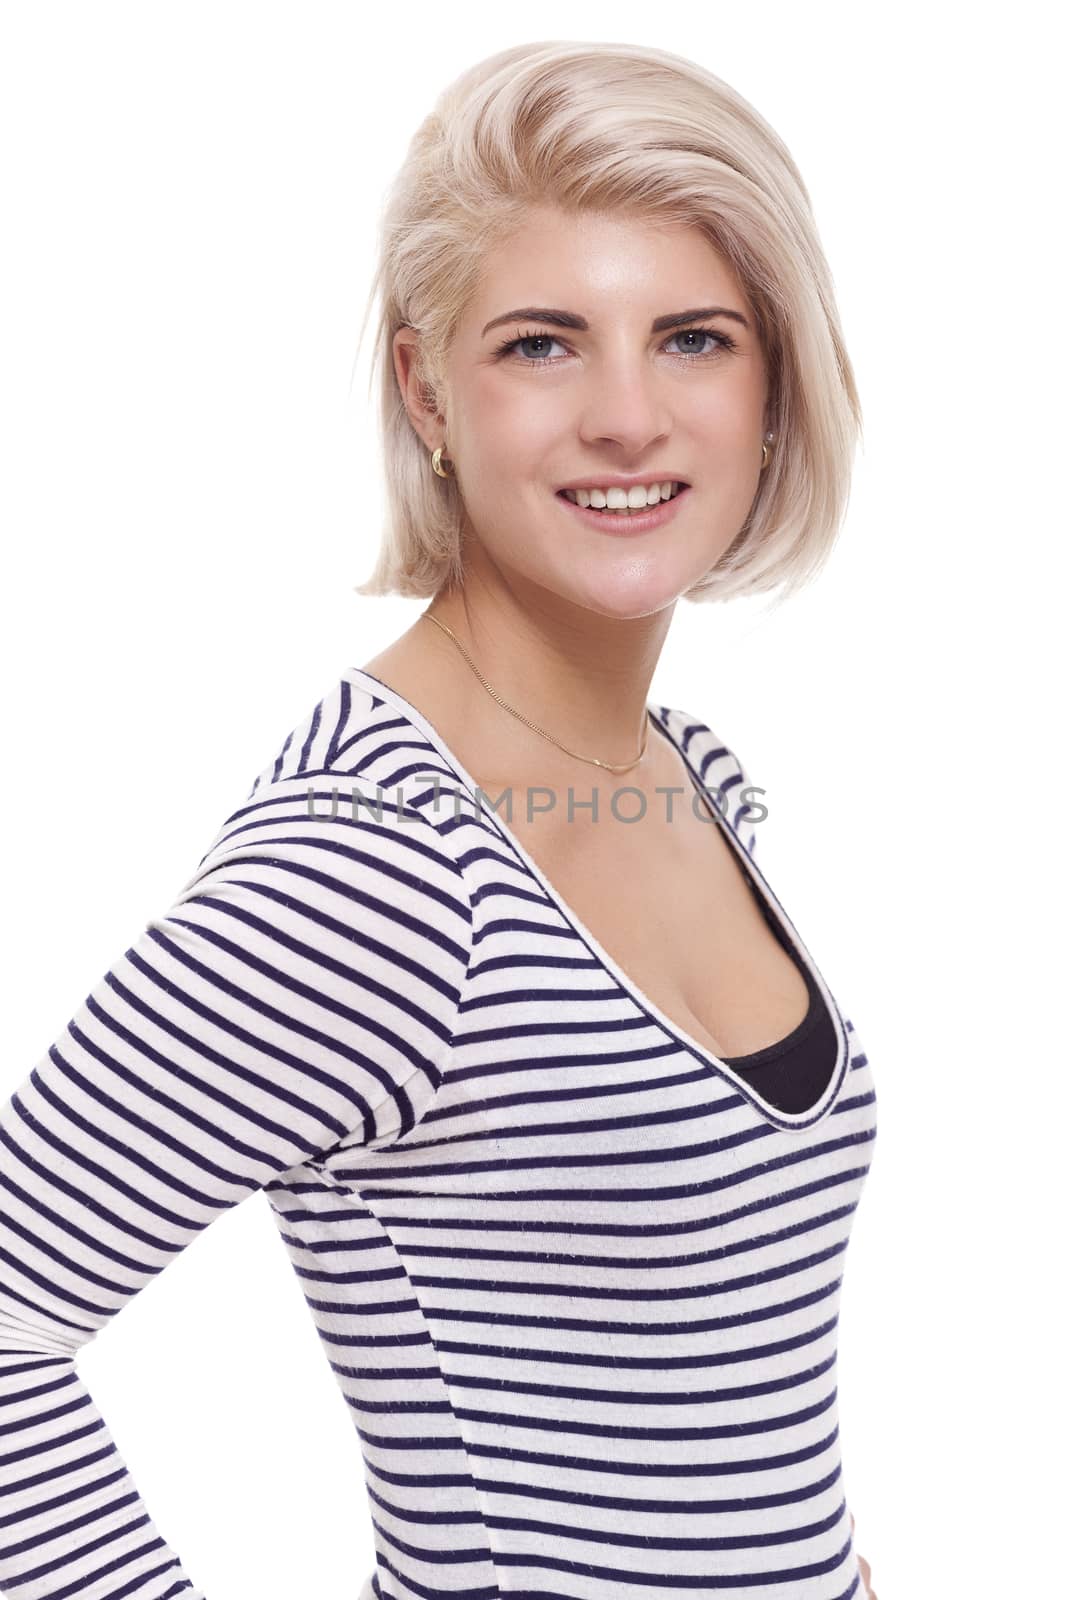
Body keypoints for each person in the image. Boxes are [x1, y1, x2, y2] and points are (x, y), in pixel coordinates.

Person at [0, 38, 878, 1600]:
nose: (627, 417)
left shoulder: (692, 775)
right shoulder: (381, 869)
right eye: (543, 345)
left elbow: (720, 1414)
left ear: (772, 385)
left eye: (693, 337)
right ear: (427, 387)